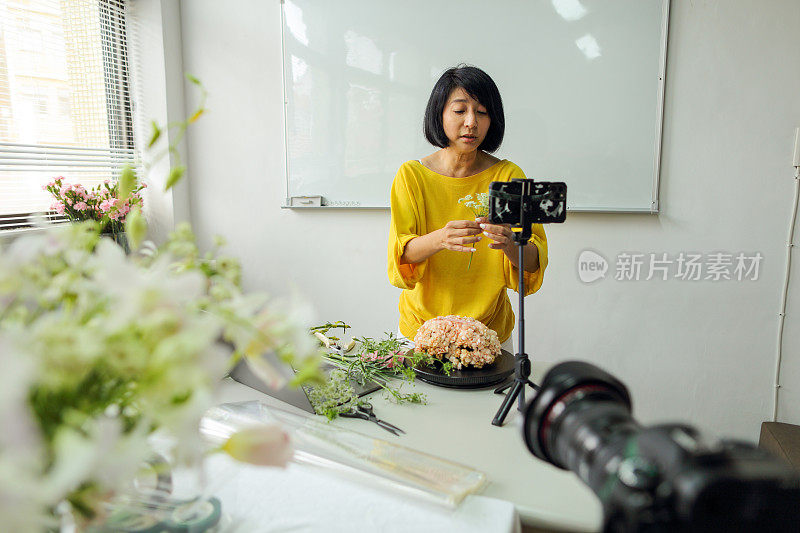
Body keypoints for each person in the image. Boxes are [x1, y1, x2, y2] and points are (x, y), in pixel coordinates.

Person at [387, 65, 548, 351]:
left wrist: (510, 243)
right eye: (460, 111)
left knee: (493, 398)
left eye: (482, 112)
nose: (471, 122)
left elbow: (533, 261)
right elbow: (401, 256)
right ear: (440, 114)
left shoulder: (508, 176)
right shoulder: (412, 176)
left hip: (488, 333)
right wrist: (441, 238)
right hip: (421, 330)